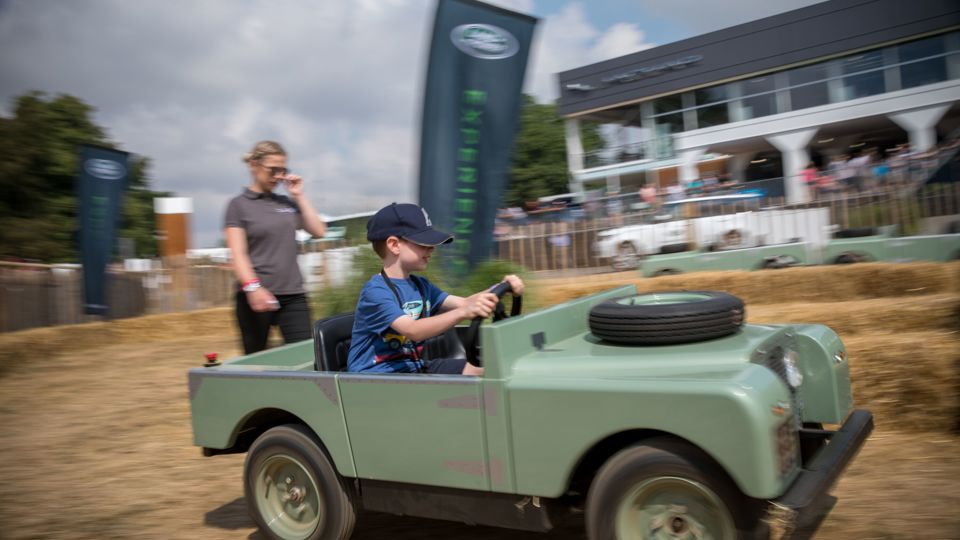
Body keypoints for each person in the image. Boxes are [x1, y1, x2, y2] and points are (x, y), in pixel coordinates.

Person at [347, 202, 523, 376]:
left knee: (488, 369)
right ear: (394, 245)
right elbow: (413, 330)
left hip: (413, 367)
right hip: (375, 378)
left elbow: (465, 303)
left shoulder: (420, 285)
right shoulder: (375, 292)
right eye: (423, 243)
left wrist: (501, 287)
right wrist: (463, 312)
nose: (432, 248)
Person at [224, 140, 327, 354]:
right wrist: (253, 289)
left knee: (306, 356)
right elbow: (238, 254)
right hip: (255, 296)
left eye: (283, 170)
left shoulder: (286, 203)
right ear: (254, 165)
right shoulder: (238, 205)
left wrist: (298, 195)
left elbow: (319, 230)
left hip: (294, 295)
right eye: (273, 170)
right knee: (256, 362)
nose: (278, 176)